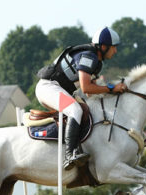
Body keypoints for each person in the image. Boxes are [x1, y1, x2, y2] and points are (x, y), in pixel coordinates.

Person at [35, 27, 128, 170]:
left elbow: (92, 92)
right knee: (75, 110)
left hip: (60, 90)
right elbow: (86, 88)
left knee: (87, 110)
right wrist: (111, 88)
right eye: (113, 47)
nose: (115, 51)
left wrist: (113, 91)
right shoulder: (89, 57)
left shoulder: (96, 61)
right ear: (103, 47)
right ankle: (69, 155)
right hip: (48, 88)